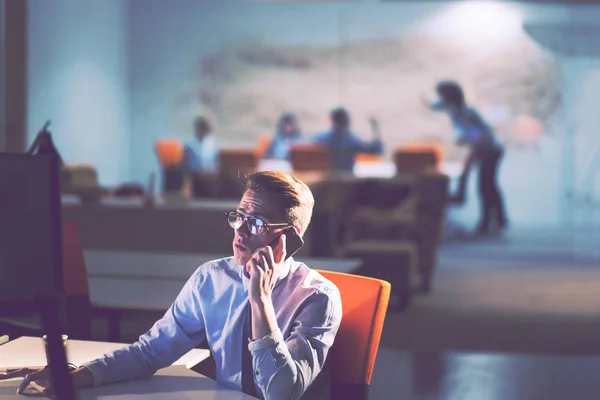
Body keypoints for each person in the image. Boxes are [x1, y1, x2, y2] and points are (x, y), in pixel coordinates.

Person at [2, 171, 343, 400]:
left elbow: (281, 392)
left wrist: (261, 302)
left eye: (255, 222)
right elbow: (150, 352)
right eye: (238, 216)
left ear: (289, 239)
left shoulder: (317, 297)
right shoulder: (211, 279)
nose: (239, 230)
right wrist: (77, 376)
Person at [426, 81, 508, 235]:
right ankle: (499, 220)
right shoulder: (453, 109)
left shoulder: (464, 112)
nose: (440, 99)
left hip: (490, 149)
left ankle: (489, 222)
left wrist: (463, 139)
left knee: (486, 186)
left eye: (441, 95)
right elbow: (437, 107)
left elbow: (480, 134)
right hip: (481, 149)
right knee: (488, 185)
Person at [314, 107, 384, 174]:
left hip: (325, 181)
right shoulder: (350, 141)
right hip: (347, 182)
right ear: (347, 120)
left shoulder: (321, 139)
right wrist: (375, 129)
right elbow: (376, 150)